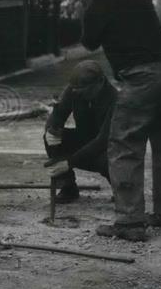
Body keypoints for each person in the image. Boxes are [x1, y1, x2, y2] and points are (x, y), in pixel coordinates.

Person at [70, 0, 161, 241]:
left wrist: (86, 10)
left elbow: (88, 42)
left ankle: (129, 222)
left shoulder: (96, 6)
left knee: (124, 144)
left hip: (143, 79)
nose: (81, 1)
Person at [43, 59, 116, 203]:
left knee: (111, 158)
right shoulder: (74, 90)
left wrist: (69, 162)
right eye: (76, 90)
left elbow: (103, 140)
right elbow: (57, 115)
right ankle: (68, 187)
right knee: (51, 138)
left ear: (100, 82)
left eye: (85, 91)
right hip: (85, 138)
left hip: (107, 146)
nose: (79, 94)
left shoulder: (115, 99)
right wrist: (52, 130)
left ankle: (119, 189)